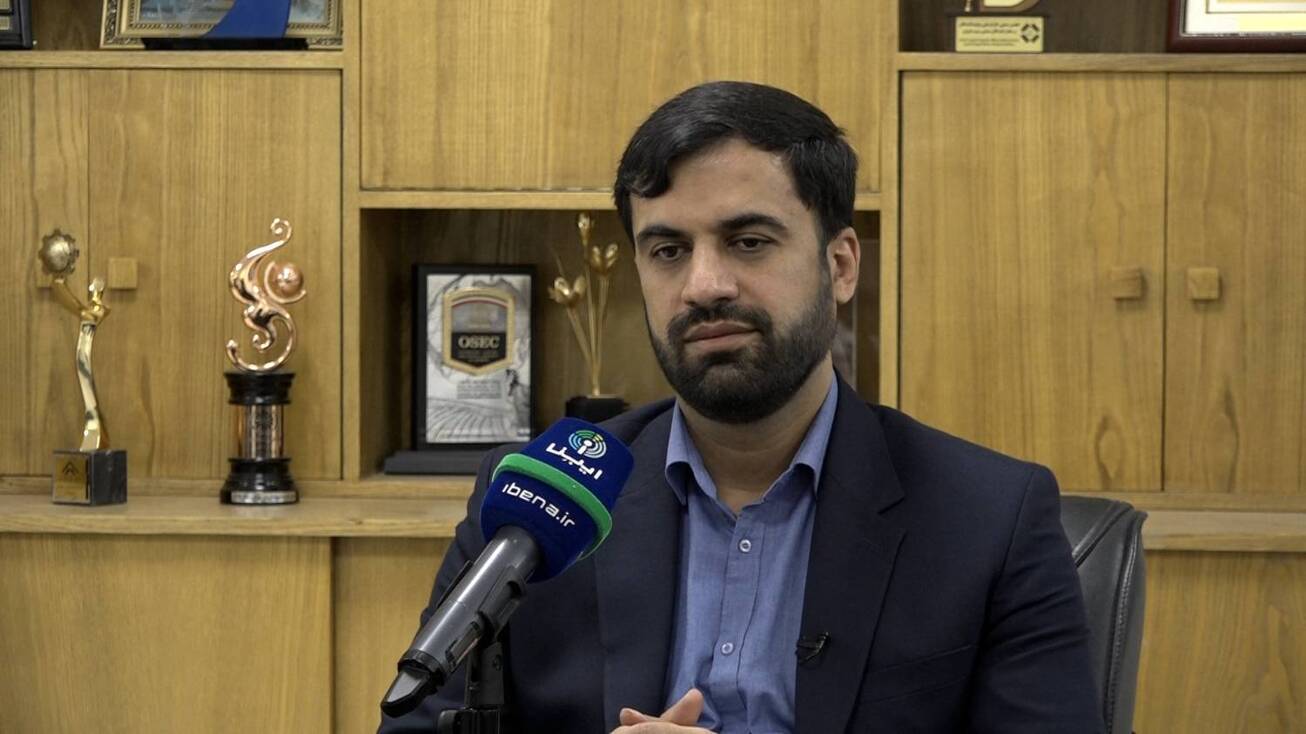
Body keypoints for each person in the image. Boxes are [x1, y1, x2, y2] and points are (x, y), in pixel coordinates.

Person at [380, 81, 1102, 734]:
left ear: (841, 265)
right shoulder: (542, 503)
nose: (704, 285)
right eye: (668, 250)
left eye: (749, 242)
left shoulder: (990, 519)